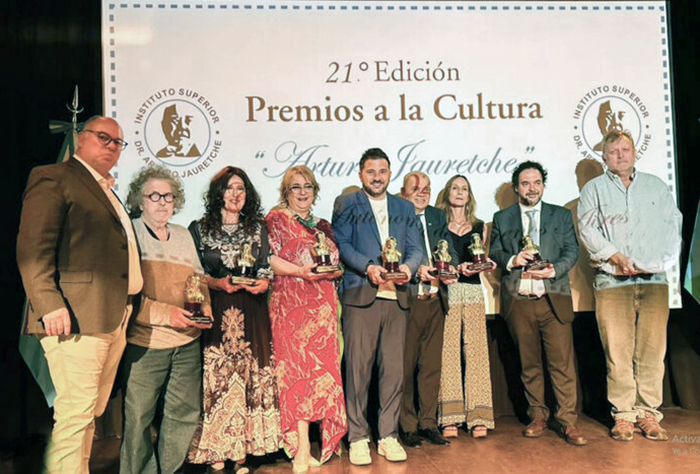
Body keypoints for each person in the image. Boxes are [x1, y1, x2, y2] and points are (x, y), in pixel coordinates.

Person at [16, 116, 143, 473]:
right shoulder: (53, 177)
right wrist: (49, 304)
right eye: (103, 137)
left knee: (88, 412)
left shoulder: (108, 190)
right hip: (74, 316)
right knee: (76, 412)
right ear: (80, 139)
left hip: (112, 315)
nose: (111, 146)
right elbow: (32, 250)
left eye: (118, 142)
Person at [578, 130, 682, 442]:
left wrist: (657, 262)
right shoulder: (593, 189)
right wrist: (617, 257)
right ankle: (623, 415)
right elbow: (587, 229)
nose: (621, 156)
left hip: (653, 281)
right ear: (604, 158)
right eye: (614, 151)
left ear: (635, 153)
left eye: (626, 150)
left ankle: (648, 414)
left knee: (652, 351)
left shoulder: (655, 186)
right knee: (618, 353)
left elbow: (672, 227)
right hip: (613, 282)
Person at [331, 148, 422, 466]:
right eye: (371, 171)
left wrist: (409, 269)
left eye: (383, 171)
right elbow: (340, 245)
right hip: (361, 295)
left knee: (394, 372)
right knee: (358, 371)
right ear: (360, 174)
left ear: (390, 173)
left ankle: (388, 436)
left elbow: (415, 248)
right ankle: (357, 438)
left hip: (396, 298)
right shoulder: (347, 204)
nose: (377, 177)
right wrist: (369, 267)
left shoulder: (405, 207)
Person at [187, 166, 281, 473]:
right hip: (216, 309)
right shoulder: (199, 229)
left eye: (240, 188)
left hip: (251, 309)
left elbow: (265, 266)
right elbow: (194, 273)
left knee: (248, 376)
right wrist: (218, 283)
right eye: (228, 188)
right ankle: (216, 447)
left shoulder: (257, 227)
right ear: (217, 194)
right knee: (218, 377)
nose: (235, 194)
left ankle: (242, 449)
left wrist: (264, 281)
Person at [119, 165, 212, 473]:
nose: (162, 202)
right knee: (139, 420)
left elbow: (198, 280)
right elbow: (124, 294)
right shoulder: (129, 234)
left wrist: (206, 308)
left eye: (168, 196)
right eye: (154, 195)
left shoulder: (184, 235)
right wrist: (165, 314)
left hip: (187, 343)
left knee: (183, 415)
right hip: (146, 344)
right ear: (140, 200)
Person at [489, 161, 588, 446]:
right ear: (517, 187)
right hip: (519, 300)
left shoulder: (560, 215)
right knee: (529, 364)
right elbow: (494, 250)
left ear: (543, 184)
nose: (531, 188)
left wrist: (555, 268)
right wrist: (511, 260)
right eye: (525, 183)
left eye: (536, 183)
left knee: (562, 365)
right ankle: (538, 416)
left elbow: (572, 250)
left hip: (552, 298)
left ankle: (568, 421)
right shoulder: (502, 217)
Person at [266, 165, 347, 473]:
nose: (302, 192)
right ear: (286, 193)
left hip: (323, 308)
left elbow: (333, 262)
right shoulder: (275, 220)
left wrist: (336, 270)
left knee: (320, 378)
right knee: (296, 375)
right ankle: (300, 447)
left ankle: (315, 445)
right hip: (291, 305)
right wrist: (299, 271)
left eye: (307, 187)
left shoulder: (323, 225)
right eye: (295, 187)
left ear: (315, 191)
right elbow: (269, 259)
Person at [434, 174, 496, 439]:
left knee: (477, 353)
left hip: (472, 291)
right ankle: (450, 417)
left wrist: (487, 263)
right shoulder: (438, 224)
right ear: (448, 192)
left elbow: (483, 256)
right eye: (455, 188)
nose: (460, 193)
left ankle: (479, 416)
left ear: (469, 195)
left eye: (465, 189)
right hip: (447, 292)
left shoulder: (480, 225)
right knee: (447, 354)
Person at [397, 171, 457, 449]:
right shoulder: (396, 215)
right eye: (416, 188)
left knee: (431, 367)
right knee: (406, 368)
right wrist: (413, 269)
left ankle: (428, 423)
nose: (422, 193)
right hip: (408, 301)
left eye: (427, 188)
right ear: (403, 191)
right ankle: (408, 426)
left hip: (436, 300)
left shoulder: (438, 216)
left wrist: (451, 268)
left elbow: (450, 250)